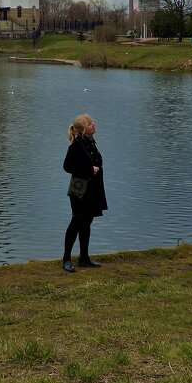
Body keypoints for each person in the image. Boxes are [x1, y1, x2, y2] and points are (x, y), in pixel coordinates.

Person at [62, 114, 108, 272]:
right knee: (76, 222)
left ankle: (84, 258)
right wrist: (88, 169)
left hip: (93, 189)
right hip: (79, 189)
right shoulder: (76, 145)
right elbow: (67, 167)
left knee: (87, 222)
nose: (93, 125)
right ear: (83, 130)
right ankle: (66, 259)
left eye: (92, 122)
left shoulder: (91, 142)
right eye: (90, 124)